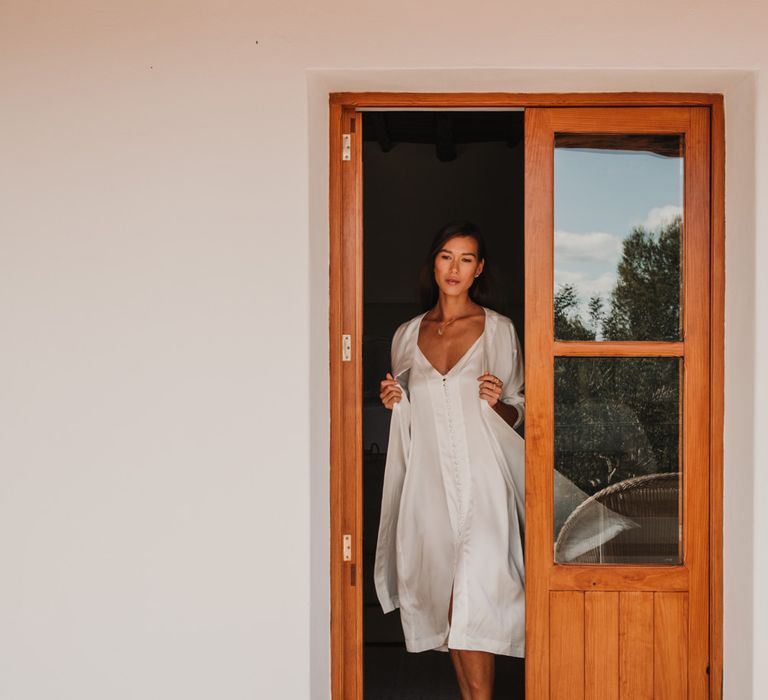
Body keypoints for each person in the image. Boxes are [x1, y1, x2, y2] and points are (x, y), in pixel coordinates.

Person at [374, 220, 525, 700]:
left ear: (479, 268)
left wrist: (498, 400)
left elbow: (521, 410)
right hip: (429, 486)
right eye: (446, 256)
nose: (454, 268)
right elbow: (409, 414)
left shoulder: (498, 330)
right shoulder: (405, 336)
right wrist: (395, 400)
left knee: (474, 600)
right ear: (433, 263)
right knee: (449, 606)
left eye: (466, 258)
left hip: (483, 485)